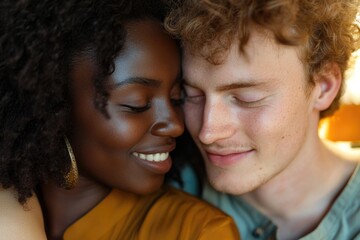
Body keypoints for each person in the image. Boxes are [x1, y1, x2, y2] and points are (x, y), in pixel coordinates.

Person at [1, 0, 240, 239]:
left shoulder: (198, 232)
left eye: (177, 99)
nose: (176, 126)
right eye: (137, 104)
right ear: (52, 105)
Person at [165, 0, 360, 239]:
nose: (208, 132)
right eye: (191, 95)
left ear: (323, 86)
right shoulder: (166, 191)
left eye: (247, 98)